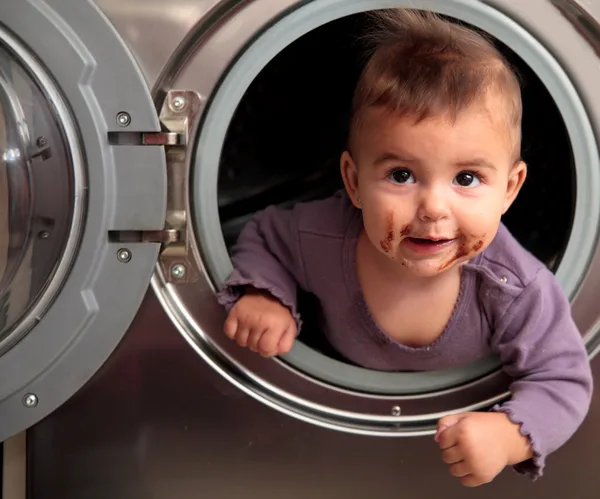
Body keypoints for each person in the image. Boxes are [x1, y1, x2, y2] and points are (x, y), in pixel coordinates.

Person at [216, 8, 593, 487]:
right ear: (353, 182)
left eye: (467, 178)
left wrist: (510, 434)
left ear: (510, 189)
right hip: (321, 434)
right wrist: (267, 294)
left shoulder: (514, 286)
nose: (433, 207)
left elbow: (562, 380)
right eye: (401, 175)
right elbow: (266, 235)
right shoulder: (323, 234)